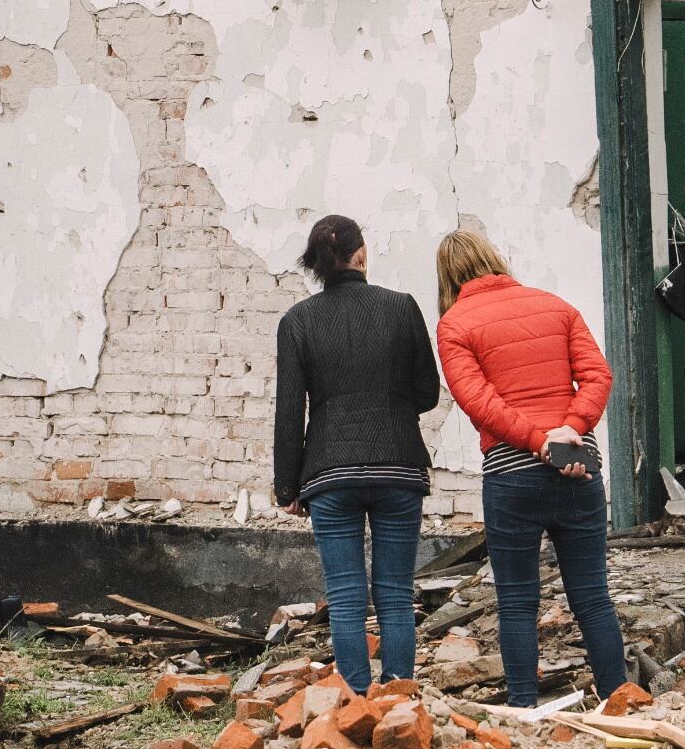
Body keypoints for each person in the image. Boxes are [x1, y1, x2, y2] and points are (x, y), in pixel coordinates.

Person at [433, 227, 633, 708]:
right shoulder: (555, 305)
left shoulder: (454, 325)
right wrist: (569, 429)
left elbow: (479, 403)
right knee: (592, 598)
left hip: (512, 477)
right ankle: (622, 702)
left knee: (518, 603)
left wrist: (537, 441)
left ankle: (523, 707)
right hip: (577, 467)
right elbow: (597, 375)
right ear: (495, 258)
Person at [271, 212, 440, 691]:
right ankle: (399, 697)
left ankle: (357, 700)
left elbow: (289, 412)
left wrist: (288, 485)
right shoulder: (402, 307)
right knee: (394, 594)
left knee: (345, 597)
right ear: (361, 253)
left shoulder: (297, 321)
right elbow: (427, 392)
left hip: (329, 472)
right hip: (398, 466)